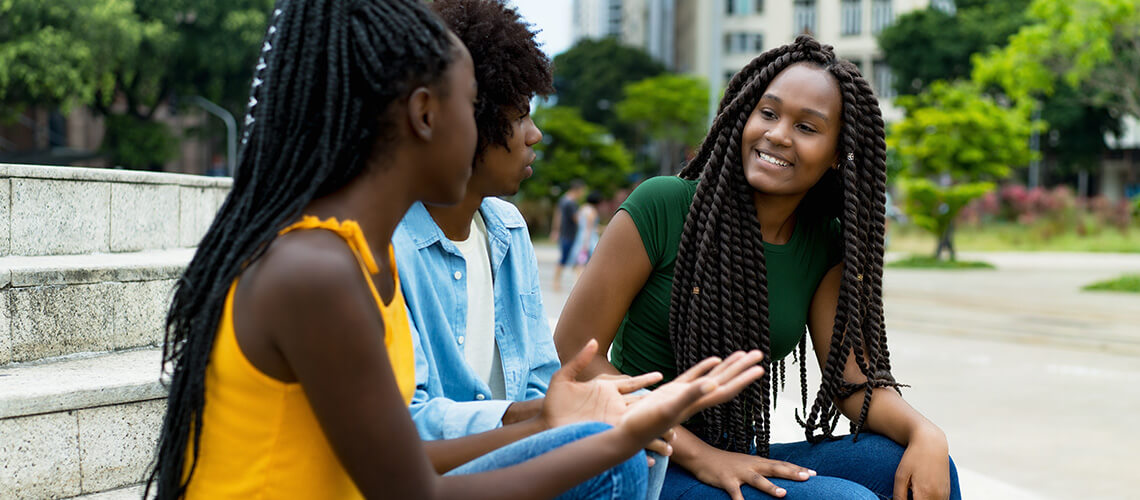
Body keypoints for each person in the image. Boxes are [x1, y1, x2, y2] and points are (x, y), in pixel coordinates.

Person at [145, 1, 765, 499]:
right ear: (424, 115)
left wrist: (555, 419)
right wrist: (618, 437)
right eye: (473, 105)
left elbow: (407, 456)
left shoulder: (360, 258)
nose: (493, 132)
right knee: (604, 468)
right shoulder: (315, 270)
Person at [554, 36, 961, 500]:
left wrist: (927, 432)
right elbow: (575, 359)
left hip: (735, 447)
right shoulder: (663, 206)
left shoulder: (822, 241)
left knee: (924, 465)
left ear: (836, 155)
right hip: (635, 456)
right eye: (768, 113)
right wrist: (701, 456)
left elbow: (853, 385)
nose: (778, 134)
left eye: (807, 128)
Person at [394, 3, 668, 498]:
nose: (534, 134)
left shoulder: (507, 228)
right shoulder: (388, 244)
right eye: (519, 116)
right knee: (607, 448)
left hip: (517, 462)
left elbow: (542, 383)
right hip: (438, 476)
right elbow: (407, 430)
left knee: (630, 425)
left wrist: (590, 404)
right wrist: (546, 418)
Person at [551, 179, 586, 289]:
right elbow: (577, 220)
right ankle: (557, 282)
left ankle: (563, 282)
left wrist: (555, 230)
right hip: (570, 235)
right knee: (566, 259)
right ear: (577, 190)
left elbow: (558, 216)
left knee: (571, 259)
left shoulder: (563, 200)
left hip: (564, 233)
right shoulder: (571, 203)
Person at [572, 191, 602, 274]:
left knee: (580, 260)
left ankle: (577, 279)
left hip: (580, 235)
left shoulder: (583, 208)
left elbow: (578, 221)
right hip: (589, 237)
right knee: (593, 260)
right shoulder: (592, 211)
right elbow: (589, 228)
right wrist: (587, 243)